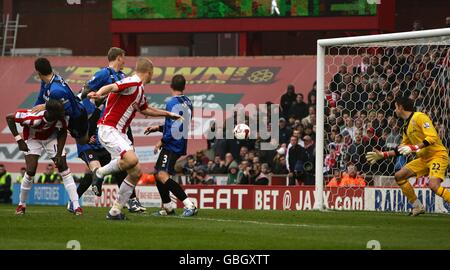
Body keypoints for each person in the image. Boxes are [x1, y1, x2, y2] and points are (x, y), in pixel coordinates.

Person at [88, 57, 183, 220]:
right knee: (131, 160)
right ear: (149, 72)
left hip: (120, 134)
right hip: (108, 128)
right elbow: (112, 86)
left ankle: (115, 211)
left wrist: (167, 114)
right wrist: (99, 94)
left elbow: (145, 109)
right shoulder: (132, 82)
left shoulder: (139, 90)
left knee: (136, 172)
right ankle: (99, 173)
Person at [74, 47, 145, 213]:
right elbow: (84, 90)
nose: (125, 61)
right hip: (105, 124)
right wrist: (78, 107)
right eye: (124, 58)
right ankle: (76, 198)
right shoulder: (103, 74)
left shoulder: (123, 77)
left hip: (120, 124)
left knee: (127, 160)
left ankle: (130, 200)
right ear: (119, 57)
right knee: (123, 160)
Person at [366, 96, 450, 216]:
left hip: (437, 155)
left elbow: (432, 137)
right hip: (423, 159)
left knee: (433, 185)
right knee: (399, 176)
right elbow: (401, 148)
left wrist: (414, 147)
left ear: (400, 107)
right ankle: (417, 206)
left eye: (395, 107)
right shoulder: (406, 126)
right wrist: (383, 154)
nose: (394, 110)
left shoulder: (420, 117)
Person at [6, 99, 82, 215]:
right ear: (51, 112)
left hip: (50, 138)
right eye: (60, 111)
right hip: (33, 139)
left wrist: (59, 153)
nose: (63, 113)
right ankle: (21, 204)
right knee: (31, 170)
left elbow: (62, 132)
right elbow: (9, 117)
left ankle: (76, 206)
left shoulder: (60, 118)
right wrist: (19, 139)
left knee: (63, 166)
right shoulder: (32, 118)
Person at [144, 74, 198, 217]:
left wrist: (162, 140)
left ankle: (189, 205)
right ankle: (168, 207)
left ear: (171, 86)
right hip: (179, 142)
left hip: (172, 143)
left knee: (162, 174)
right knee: (157, 173)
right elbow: (180, 124)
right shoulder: (188, 102)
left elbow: (174, 127)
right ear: (184, 87)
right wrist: (158, 128)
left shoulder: (171, 103)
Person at [32, 58, 89, 145]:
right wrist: (33, 114)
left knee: (83, 142)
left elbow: (69, 112)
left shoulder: (56, 91)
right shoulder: (45, 82)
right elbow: (40, 98)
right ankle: (80, 96)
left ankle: (95, 114)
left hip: (76, 119)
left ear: (39, 73)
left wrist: (47, 106)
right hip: (68, 108)